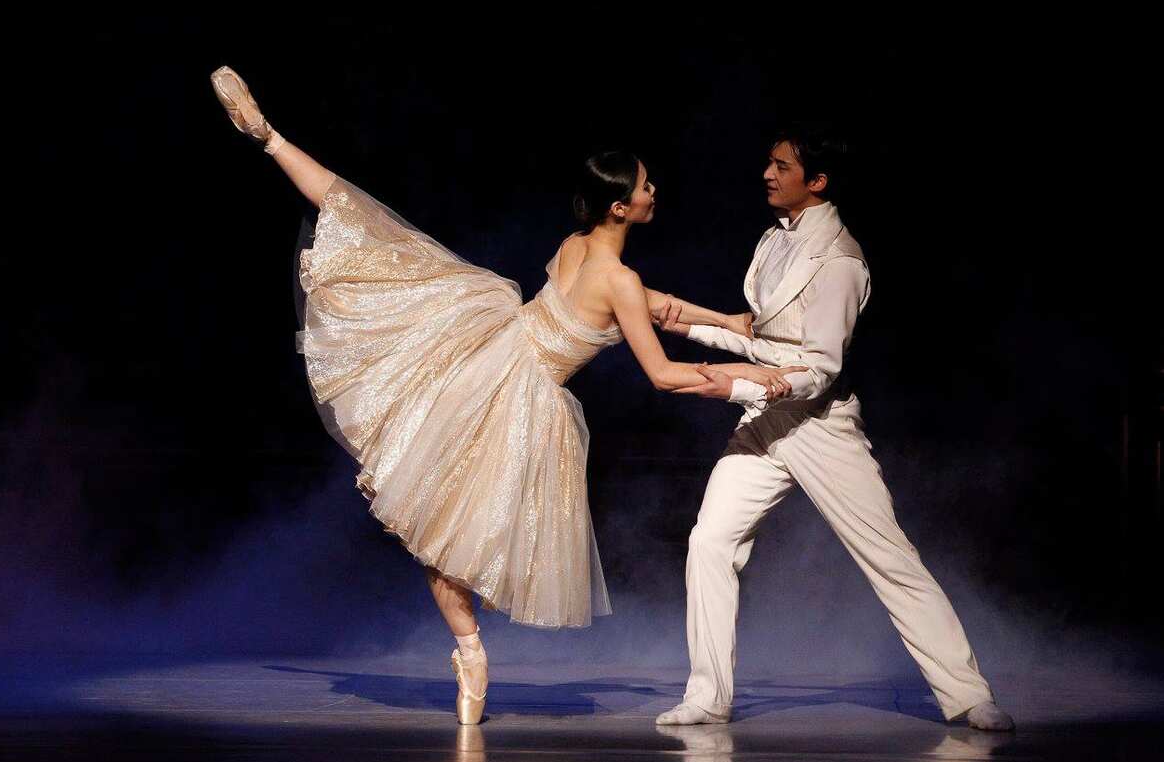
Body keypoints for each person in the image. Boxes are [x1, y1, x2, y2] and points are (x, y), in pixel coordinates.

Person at [208, 66, 806, 725]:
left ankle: (270, 137)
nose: (653, 191)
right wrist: (750, 377)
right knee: (438, 530)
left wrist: (726, 321)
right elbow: (662, 372)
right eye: (645, 186)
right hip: (505, 385)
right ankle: (470, 652)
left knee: (376, 237)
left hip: (492, 359)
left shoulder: (580, 249)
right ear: (620, 207)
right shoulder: (616, 277)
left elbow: (652, 304)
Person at [651, 124, 1015, 731]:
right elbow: (761, 336)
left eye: (782, 167)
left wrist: (739, 385)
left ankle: (970, 694)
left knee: (888, 556)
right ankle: (708, 694)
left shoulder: (841, 261)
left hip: (819, 423)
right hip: (766, 421)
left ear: (817, 181)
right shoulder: (774, 239)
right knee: (709, 542)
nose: (768, 174)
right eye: (769, 162)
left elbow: (819, 369)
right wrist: (683, 325)